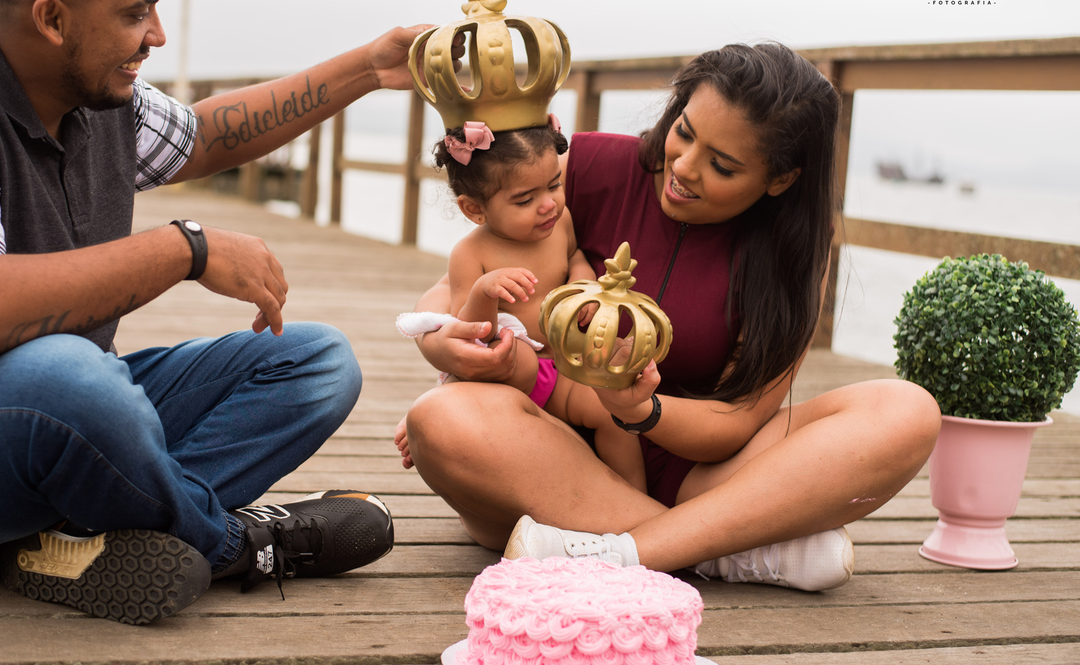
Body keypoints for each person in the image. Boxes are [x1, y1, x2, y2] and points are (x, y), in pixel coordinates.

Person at [0, 0, 438, 625]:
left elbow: (206, 135)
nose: (157, 35)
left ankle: (68, 544)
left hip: (70, 410)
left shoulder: (95, 97)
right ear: (51, 18)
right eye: (136, 12)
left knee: (315, 362)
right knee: (70, 374)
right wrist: (185, 250)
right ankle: (245, 544)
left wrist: (369, 69)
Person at [402, 42, 941, 592]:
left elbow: (737, 422)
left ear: (780, 180)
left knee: (906, 411)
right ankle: (715, 550)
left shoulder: (794, 251)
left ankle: (626, 550)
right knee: (440, 422)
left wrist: (642, 410)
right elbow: (453, 287)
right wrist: (438, 345)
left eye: (722, 165)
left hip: (700, 474)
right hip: (551, 456)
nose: (682, 167)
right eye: (684, 132)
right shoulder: (580, 167)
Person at [394, 119, 647, 491]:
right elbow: (473, 332)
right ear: (475, 210)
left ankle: (635, 495)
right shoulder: (471, 253)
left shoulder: (560, 224)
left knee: (610, 412)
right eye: (525, 200)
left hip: (558, 368)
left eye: (554, 185)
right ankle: (441, 402)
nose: (548, 205)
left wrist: (583, 281)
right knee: (519, 357)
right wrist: (484, 292)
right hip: (505, 376)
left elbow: (574, 254)